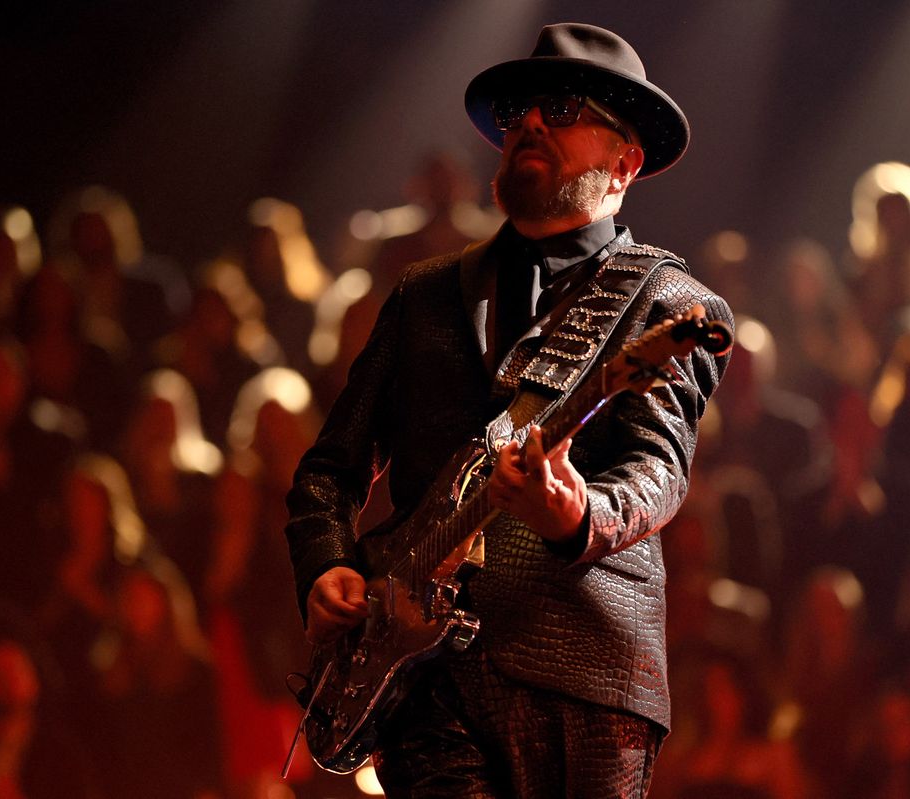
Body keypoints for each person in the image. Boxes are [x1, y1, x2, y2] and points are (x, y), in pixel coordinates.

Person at [284, 23, 732, 798]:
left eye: (562, 108)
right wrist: (325, 564)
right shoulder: (422, 293)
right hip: (424, 678)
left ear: (626, 163)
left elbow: (657, 469)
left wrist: (578, 512)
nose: (528, 122)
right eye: (521, 109)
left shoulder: (669, 304)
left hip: (584, 675)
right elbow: (330, 470)